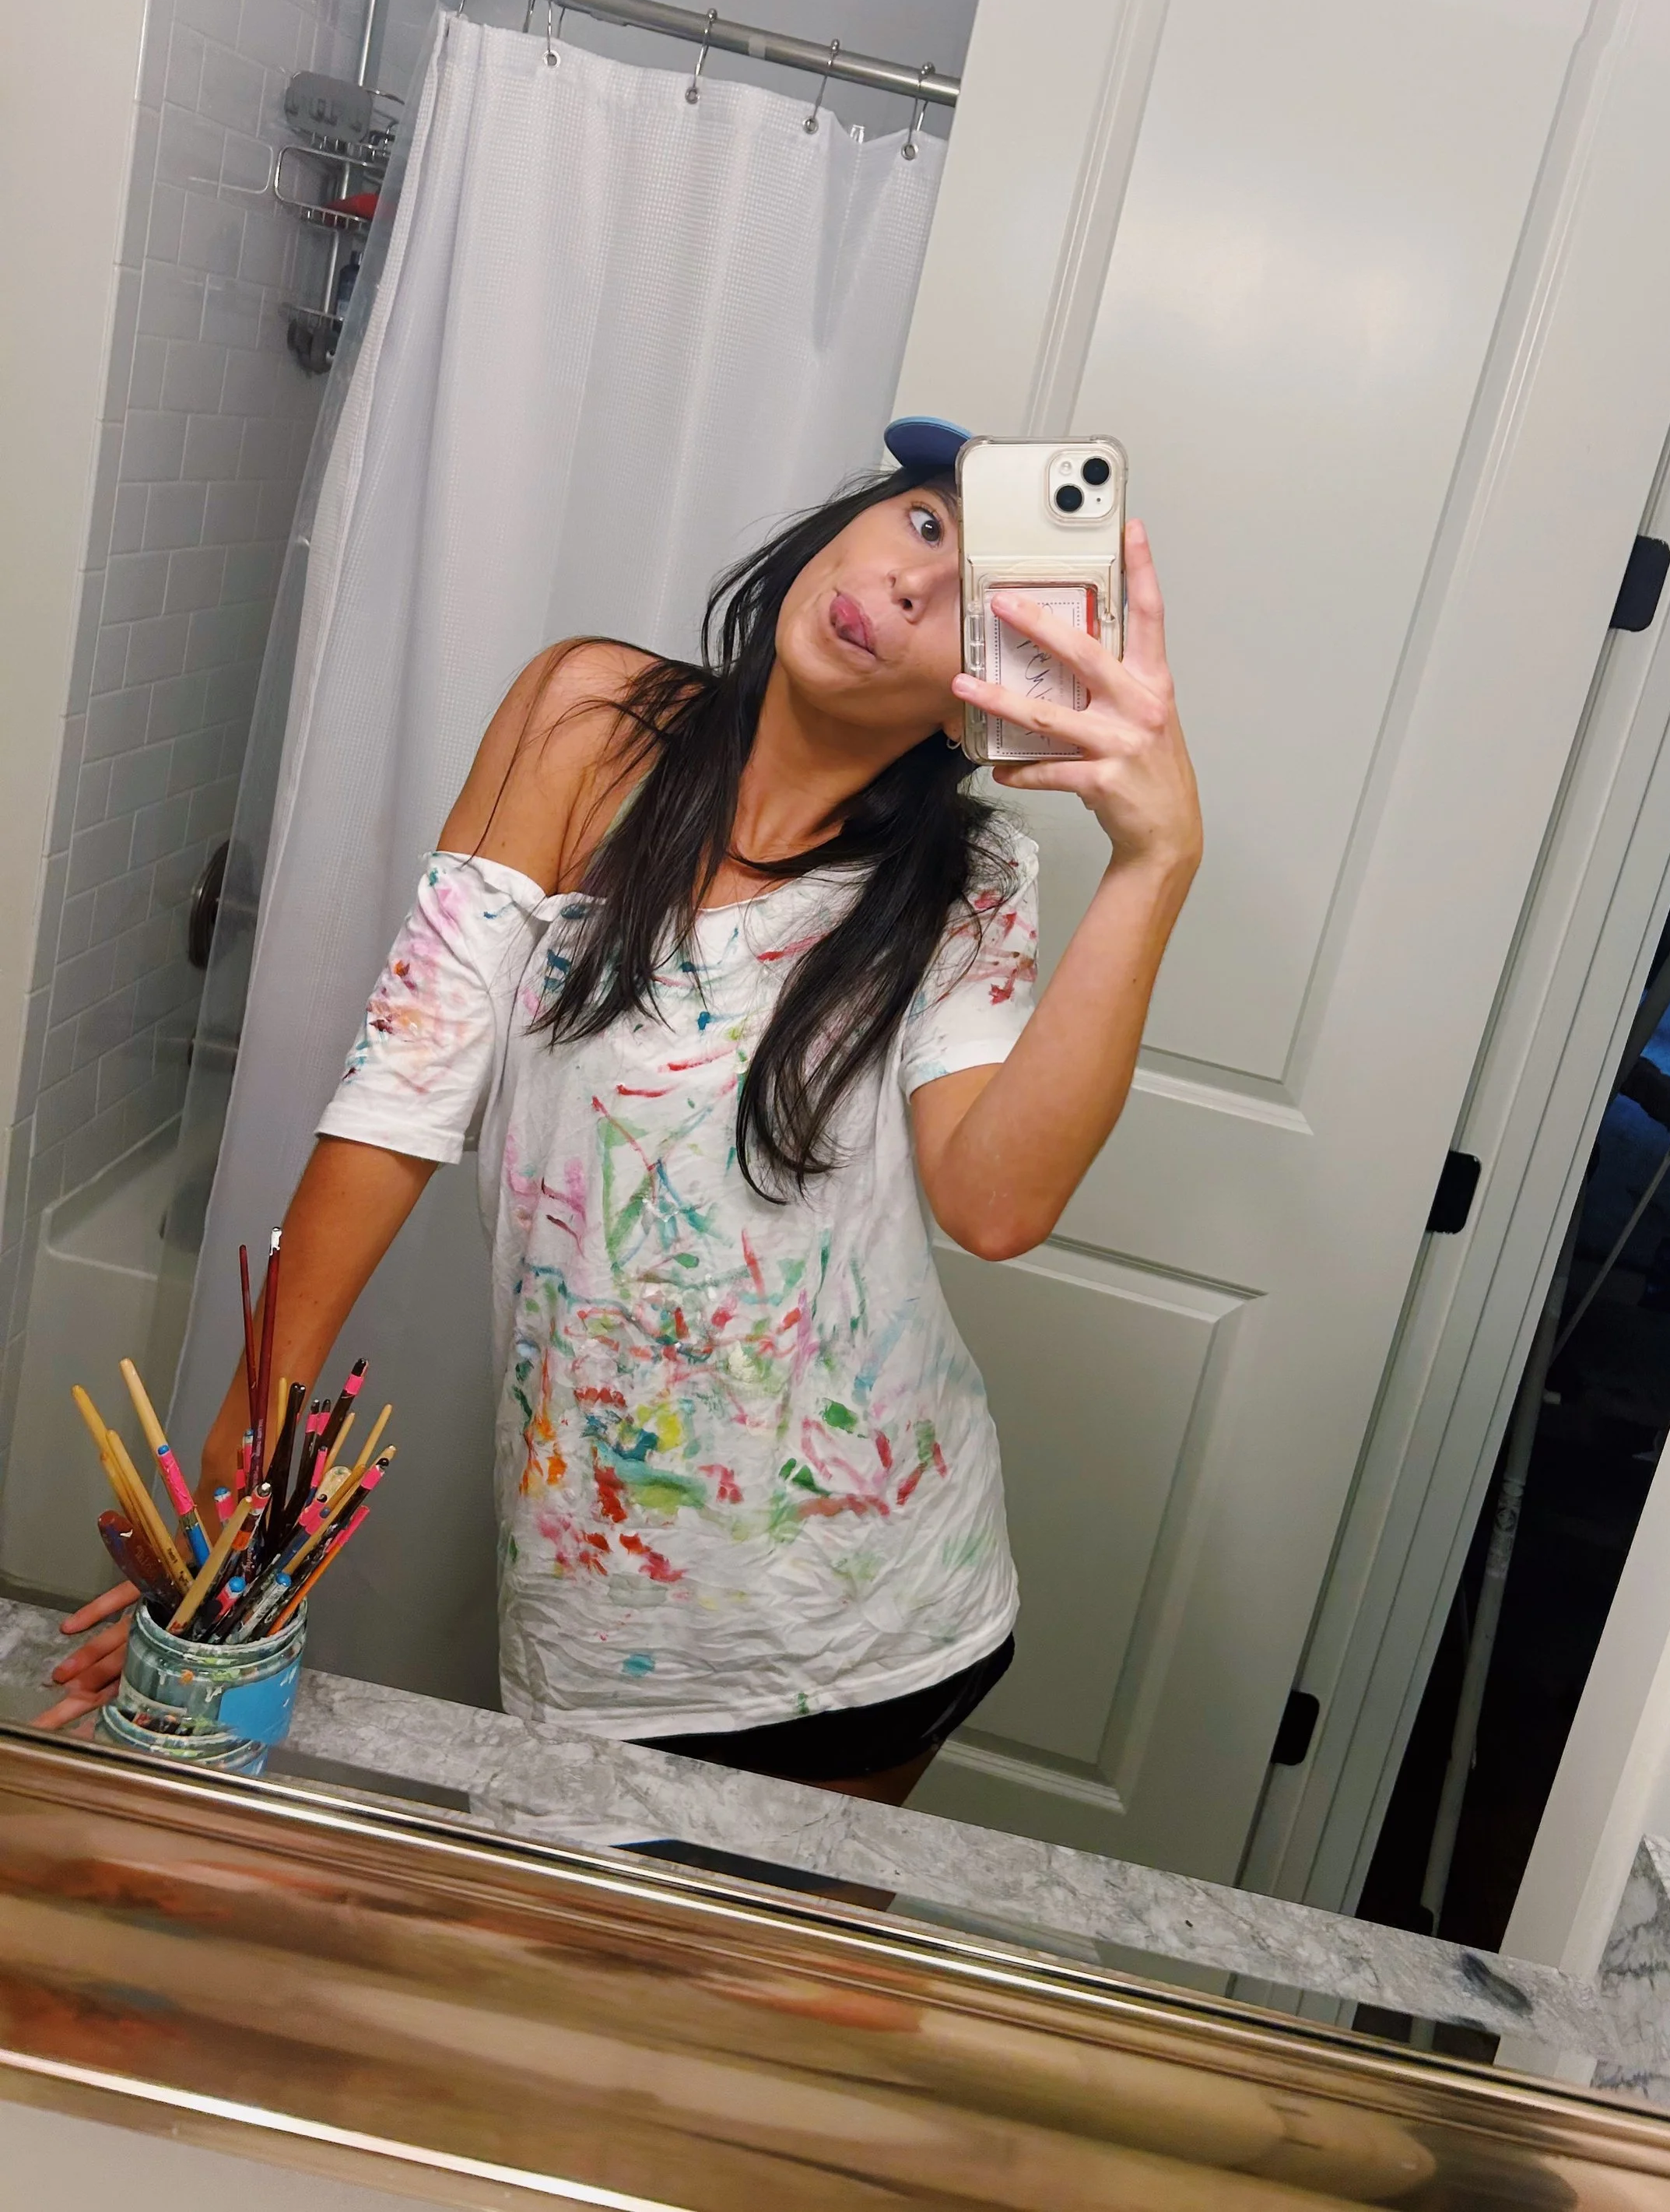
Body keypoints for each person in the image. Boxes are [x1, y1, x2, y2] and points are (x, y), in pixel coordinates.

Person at [47, 420, 1201, 1802]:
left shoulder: (968, 886)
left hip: (868, 1611)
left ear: (982, 703)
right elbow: (403, 1090)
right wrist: (246, 1481)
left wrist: (1153, 864)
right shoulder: (587, 719)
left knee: (757, 2014)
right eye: (926, 524)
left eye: (971, 604)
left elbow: (997, 1203)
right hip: (594, 1606)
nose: (910, 584)